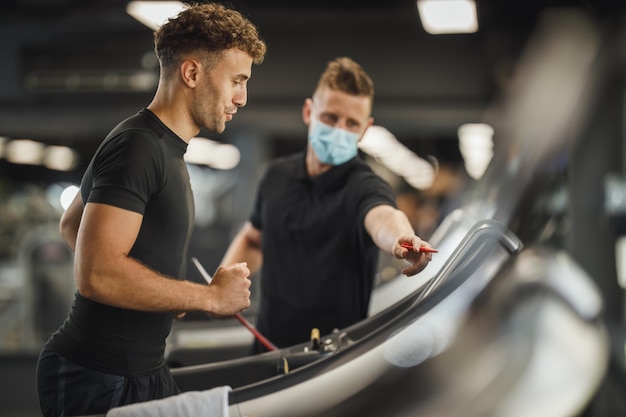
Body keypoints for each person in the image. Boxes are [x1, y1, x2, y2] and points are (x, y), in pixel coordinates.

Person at [35, 3, 266, 416]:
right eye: (236, 80)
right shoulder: (138, 147)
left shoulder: (160, 148)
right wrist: (207, 298)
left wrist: (158, 292)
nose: (242, 97)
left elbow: (72, 224)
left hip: (140, 369)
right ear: (192, 73)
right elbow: (96, 273)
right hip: (99, 373)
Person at [220, 57, 433, 352]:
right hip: (268, 348)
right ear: (309, 112)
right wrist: (221, 285)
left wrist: (401, 239)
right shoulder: (275, 176)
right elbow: (254, 239)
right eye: (331, 118)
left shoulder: (364, 185)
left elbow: (383, 217)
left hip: (332, 361)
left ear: (365, 129)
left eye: (351, 123)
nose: (339, 130)